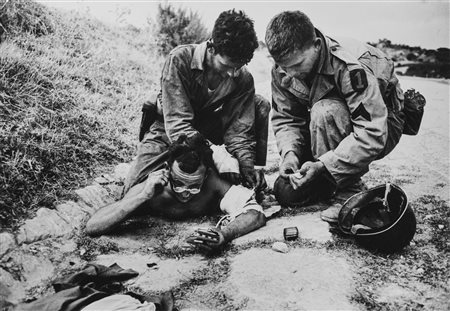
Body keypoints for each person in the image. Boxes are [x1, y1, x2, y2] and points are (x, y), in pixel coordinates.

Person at [265, 11, 425, 223]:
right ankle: (326, 183)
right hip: (328, 127)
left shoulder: (351, 67)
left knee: (326, 110)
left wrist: (322, 165)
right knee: (285, 192)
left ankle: (348, 192)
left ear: (316, 45)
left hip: (382, 125)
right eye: (285, 66)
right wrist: (290, 154)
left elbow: (371, 132)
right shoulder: (283, 69)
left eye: (297, 65)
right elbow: (287, 119)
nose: (290, 73)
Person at [128, 9, 270, 198]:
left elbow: (239, 132)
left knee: (259, 104)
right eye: (227, 66)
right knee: (133, 190)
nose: (233, 74)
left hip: (206, 128)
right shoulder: (179, 60)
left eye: (238, 67)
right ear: (211, 48)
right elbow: (177, 124)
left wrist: (247, 166)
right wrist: (217, 155)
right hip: (169, 129)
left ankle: (248, 176)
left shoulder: (242, 78)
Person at [85, 134, 267, 251]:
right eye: (178, 184)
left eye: (194, 186)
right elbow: (93, 226)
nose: (185, 193)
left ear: (206, 176)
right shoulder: (152, 189)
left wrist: (224, 234)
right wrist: (142, 196)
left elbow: (255, 214)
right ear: (168, 172)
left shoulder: (213, 183)